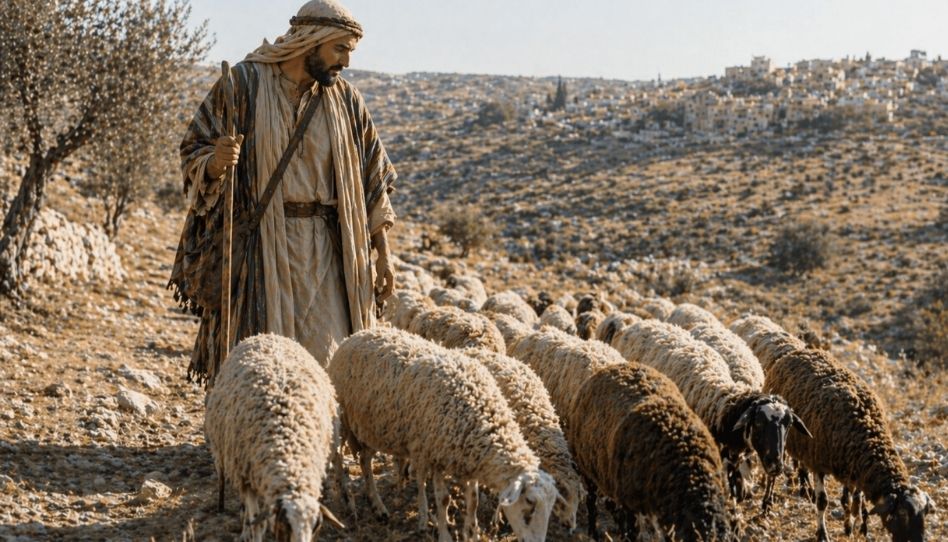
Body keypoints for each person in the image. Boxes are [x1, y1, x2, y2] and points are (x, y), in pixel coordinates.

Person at [169, 0, 397, 384]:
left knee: (330, 351)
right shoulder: (242, 84)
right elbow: (194, 150)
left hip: (329, 249)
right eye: (339, 49)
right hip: (263, 242)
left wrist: (384, 255)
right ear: (311, 41)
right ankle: (248, 430)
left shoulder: (347, 102)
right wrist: (215, 161)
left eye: (350, 51)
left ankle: (316, 434)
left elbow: (371, 181)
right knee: (258, 346)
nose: (346, 62)